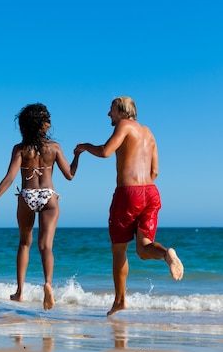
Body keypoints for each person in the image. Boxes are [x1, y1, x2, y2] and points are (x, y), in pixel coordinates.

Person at [73, 96, 184, 316]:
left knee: (119, 251)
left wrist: (85, 147)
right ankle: (166, 255)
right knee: (143, 249)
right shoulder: (148, 132)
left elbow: (105, 151)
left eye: (111, 110)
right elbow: (155, 172)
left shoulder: (124, 126)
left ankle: (120, 300)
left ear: (123, 111)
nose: (108, 114)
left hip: (128, 194)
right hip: (151, 193)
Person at [0, 103, 78, 310]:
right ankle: (48, 284)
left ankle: (20, 292)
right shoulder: (55, 148)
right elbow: (69, 175)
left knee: (25, 244)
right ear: (44, 125)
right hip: (48, 196)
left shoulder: (20, 149)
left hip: (27, 195)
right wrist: (78, 155)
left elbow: (9, 179)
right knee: (46, 246)